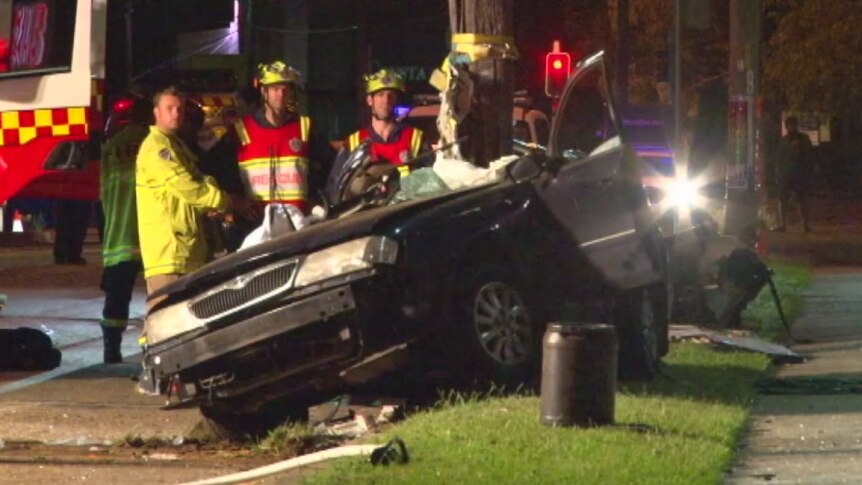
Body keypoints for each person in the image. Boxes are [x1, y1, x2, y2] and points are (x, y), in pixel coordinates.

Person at [135, 86, 250, 309]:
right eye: (169, 108)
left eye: (179, 109)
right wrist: (226, 201)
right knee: (165, 323)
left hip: (186, 251)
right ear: (156, 112)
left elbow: (201, 181)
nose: (176, 114)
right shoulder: (157, 148)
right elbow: (188, 188)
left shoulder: (176, 145)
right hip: (170, 255)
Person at [98, 98, 152, 363]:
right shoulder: (155, 142)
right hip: (152, 232)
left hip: (119, 232)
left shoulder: (112, 146)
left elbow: (103, 192)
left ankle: (111, 349)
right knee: (159, 293)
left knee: (117, 295)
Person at [232, 61, 319, 218]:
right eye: (275, 89)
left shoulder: (304, 127)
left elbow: (324, 171)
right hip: (256, 225)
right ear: (263, 92)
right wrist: (237, 204)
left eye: (285, 89)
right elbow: (221, 172)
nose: (281, 94)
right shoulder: (241, 130)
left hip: (298, 223)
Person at [326, 69, 426, 201]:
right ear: (369, 100)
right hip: (365, 217)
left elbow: (432, 185)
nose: (386, 100)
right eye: (380, 94)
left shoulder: (415, 138)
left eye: (391, 95)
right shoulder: (355, 142)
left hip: (405, 216)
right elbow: (334, 188)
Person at [774, 116, 812, 232]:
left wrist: (807, 171)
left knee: (801, 199)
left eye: (792, 125)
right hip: (786, 174)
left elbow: (808, 156)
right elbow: (779, 158)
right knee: (783, 199)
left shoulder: (803, 139)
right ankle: (783, 225)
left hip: (799, 173)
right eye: (789, 125)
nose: (790, 127)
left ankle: (805, 225)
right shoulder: (783, 140)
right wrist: (778, 172)